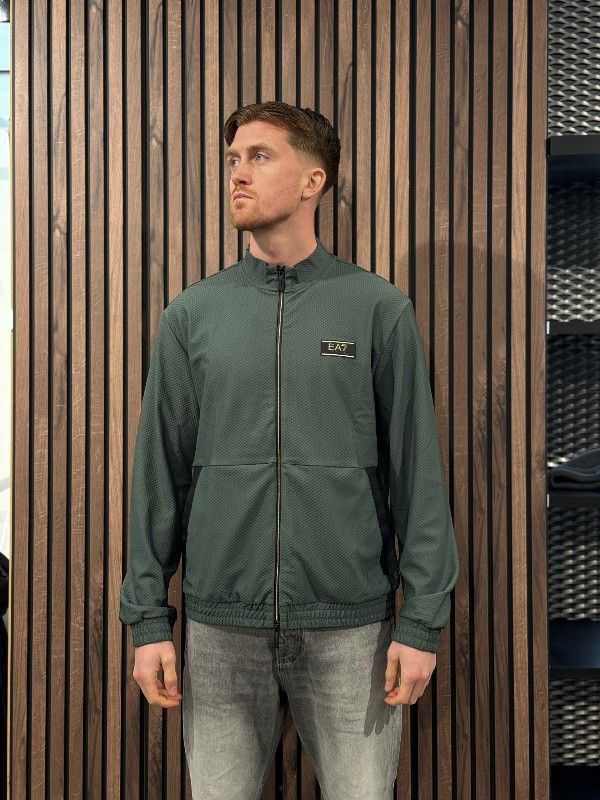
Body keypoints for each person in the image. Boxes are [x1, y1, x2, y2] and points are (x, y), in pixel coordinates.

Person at [119, 100, 459, 800]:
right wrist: (148, 619)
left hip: (352, 631)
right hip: (221, 631)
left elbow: (416, 474)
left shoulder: (376, 309)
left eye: (259, 156)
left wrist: (422, 620)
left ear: (313, 180)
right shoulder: (193, 316)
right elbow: (159, 474)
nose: (237, 173)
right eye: (233, 159)